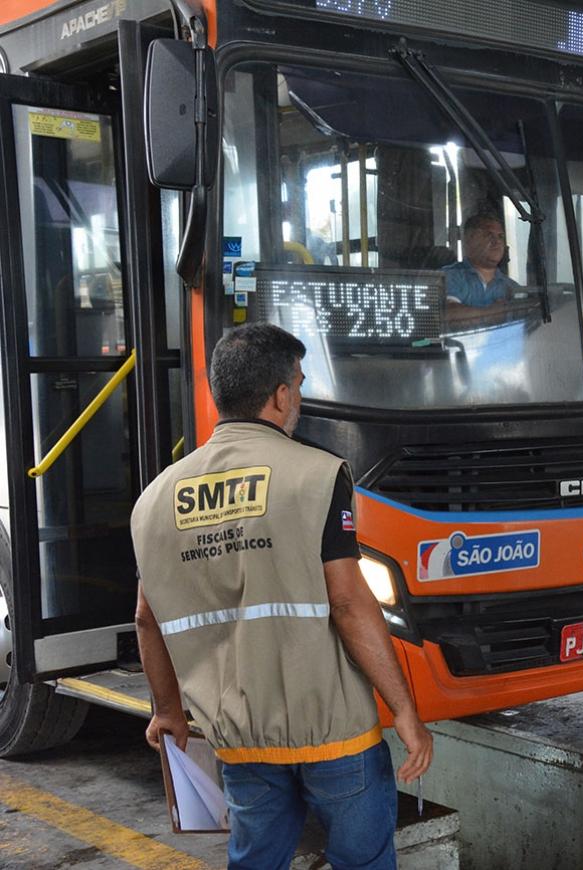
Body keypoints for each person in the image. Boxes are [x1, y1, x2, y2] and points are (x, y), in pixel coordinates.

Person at [131, 323, 433, 869]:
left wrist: (169, 712)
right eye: (298, 381)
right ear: (280, 395)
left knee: (255, 862)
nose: (298, 393)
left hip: (242, 743)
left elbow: (147, 618)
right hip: (335, 736)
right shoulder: (315, 476)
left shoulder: (154, 501)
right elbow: (348, 602)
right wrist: (405, 708)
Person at [441, 213, 520, 320]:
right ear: (469, 240)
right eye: (489, 235)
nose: (497, 242)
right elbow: (447, 315)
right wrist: (491, 313)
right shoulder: (448, 276)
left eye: (500, 236)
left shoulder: (511, 286)